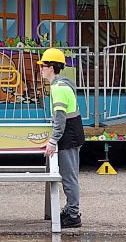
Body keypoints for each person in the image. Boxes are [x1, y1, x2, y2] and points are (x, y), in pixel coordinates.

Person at [37, 48, 84, 228]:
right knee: (69, 176)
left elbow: (60, 120)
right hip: (71, 134)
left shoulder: (58, 88)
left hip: (69, 136)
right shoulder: (62, 85)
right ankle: (71, 209)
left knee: (69, 177)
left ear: (52, 68)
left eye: (44, 65)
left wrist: (52, 141)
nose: (41, 68)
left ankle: (73, 214)